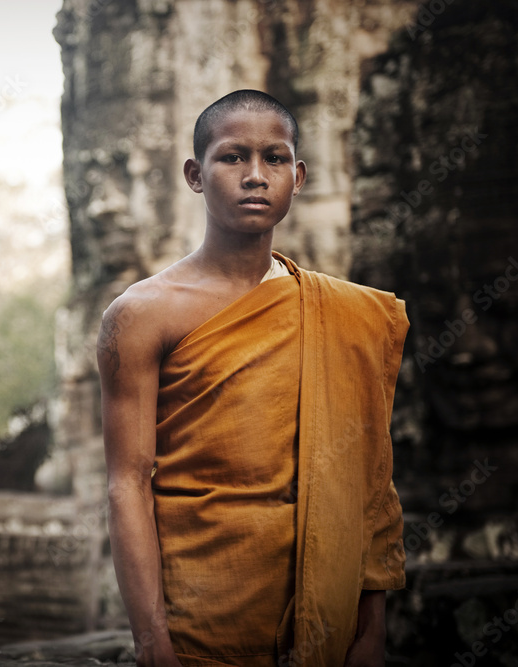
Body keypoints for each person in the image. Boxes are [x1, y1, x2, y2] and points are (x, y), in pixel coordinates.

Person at [97, 90, 407, 667]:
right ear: (195, 174)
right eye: (233, 157)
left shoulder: (348, 314)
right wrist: (151, 639)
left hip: (328, 626)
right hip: (203, 619)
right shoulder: (142, 314)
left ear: (300, 175)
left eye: (275, 158)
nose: (256, 176)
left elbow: (368, 480)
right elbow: (127, 483)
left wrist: (371, 630)